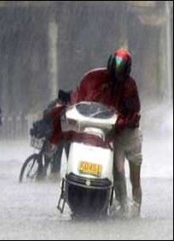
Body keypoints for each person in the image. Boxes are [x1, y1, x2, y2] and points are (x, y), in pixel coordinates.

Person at [61, 48, 143, 217]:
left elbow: (134, 113)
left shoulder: (130, 86)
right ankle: (120, 207)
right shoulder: (94, 77)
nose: (115, 80)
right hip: (111, 133)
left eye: (119, 77)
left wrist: (122, 122)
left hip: (130, 135)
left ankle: (135, 213)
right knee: (118, 172)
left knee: (135, 178)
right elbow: (79, 98)